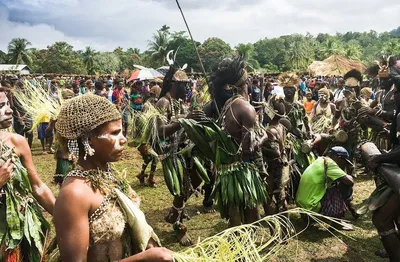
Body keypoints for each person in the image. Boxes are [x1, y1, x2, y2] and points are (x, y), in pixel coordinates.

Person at [53, 94, 173, 261]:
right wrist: (143, 259)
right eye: (115, 133)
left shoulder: (109, 174)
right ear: (88, 140)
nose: (124, 139)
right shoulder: (75, 194)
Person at [0, 90, 55, 261]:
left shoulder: (16, 141)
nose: (9, 110)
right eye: (1, 106)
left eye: (8, 104)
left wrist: (64, 215)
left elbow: (37, 186)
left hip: (19, 225)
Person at [296, 146, 355, 225]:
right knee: (340, 187)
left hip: (302, 205)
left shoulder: (320, 160)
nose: (343, 164)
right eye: (343, 162)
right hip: (312, 205)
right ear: (338, 158)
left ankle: (307, 217)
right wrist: (350, 172)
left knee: (333, 184)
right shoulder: (330, 163)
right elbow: (350, 182)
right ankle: (337, 220)